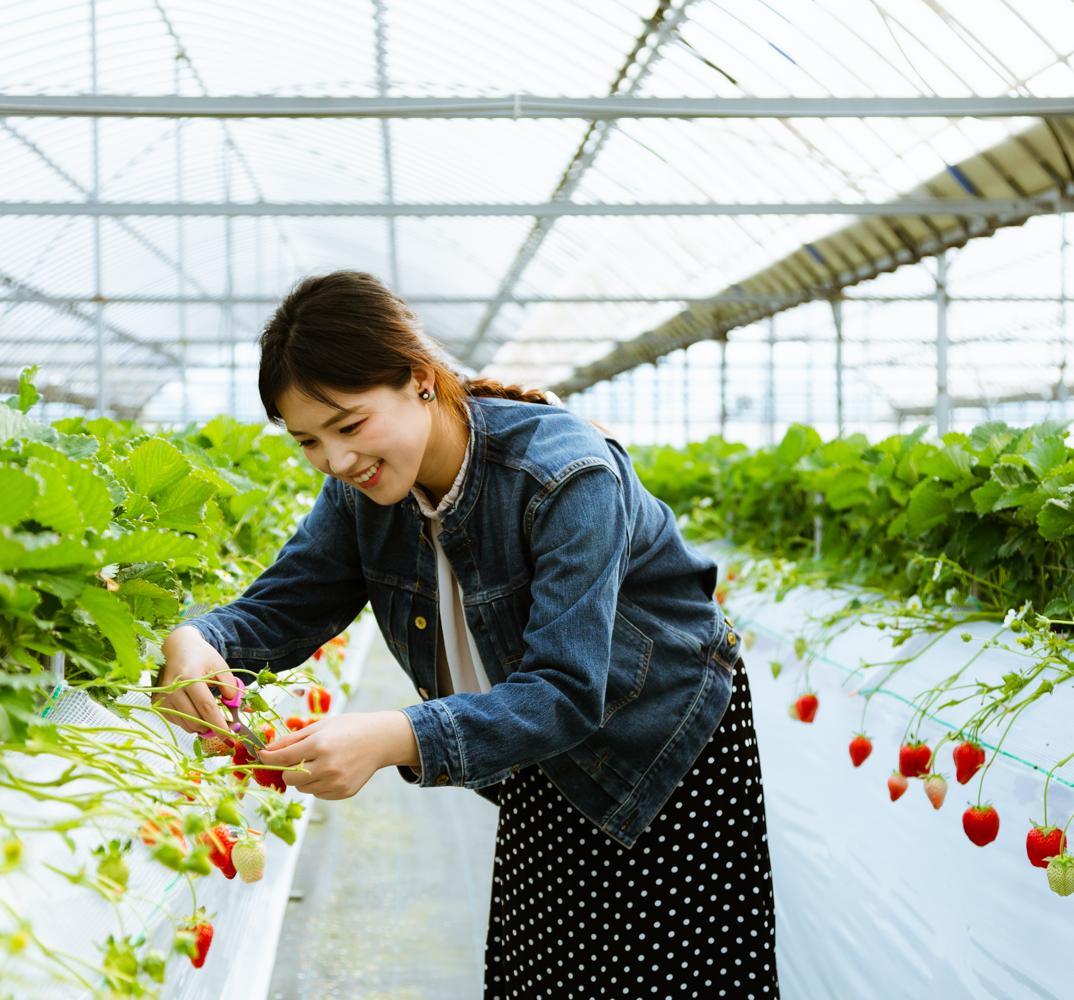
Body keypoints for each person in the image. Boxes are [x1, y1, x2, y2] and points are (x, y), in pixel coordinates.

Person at [154, 270, 778, 998]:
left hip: (663, 751)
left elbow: (567, 690)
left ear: (420, 380)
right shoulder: (361, 493)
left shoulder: (565, 474)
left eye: (349, 426)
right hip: (541, 750)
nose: (336, 461)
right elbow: (288, 603)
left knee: (673, 976)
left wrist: (394, 736)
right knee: (544, 971)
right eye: (308, 441)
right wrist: (199, 641)